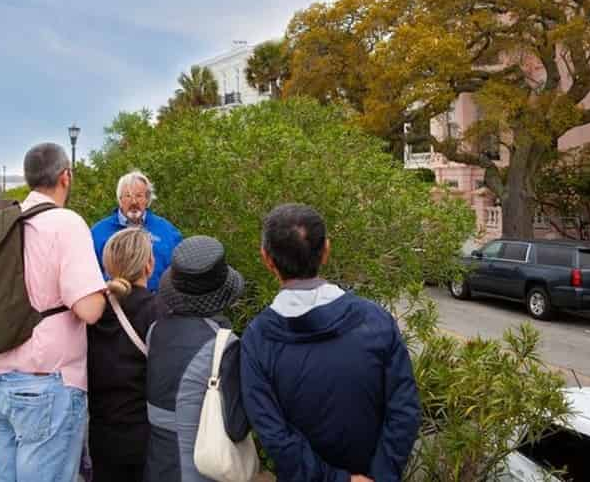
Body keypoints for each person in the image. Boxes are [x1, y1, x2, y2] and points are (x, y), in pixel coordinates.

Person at [240, 204, 421, 481]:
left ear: (267, 259)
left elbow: (273, 433)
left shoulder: (258, 338)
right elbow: (404, 408)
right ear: (326, 249)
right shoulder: (376, 320)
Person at [0, 143, 108, 482]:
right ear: (65, 176)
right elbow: (90, 309)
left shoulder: (5, 222)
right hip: (45, 384)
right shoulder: (66, 224)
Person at [145, 235, 249, 482]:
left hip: (157, 462)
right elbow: (236, 425)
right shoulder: (222, 344)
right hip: (198, 468)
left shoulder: (155, 331)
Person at [87, 228, 168, 481]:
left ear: (107, 264)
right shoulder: (158, 312)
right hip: (143, 433)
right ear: (149, 264)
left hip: (99, 432)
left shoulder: (92, 310)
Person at [91, 171, 183, 292]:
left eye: (139, 196)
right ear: (120, 199)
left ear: (147, 199)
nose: (134, 202)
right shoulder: (98, 232)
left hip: (157, 305)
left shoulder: (167, 231)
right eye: (128, 196)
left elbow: (179, 272)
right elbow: (89, 276)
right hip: (114, 304)